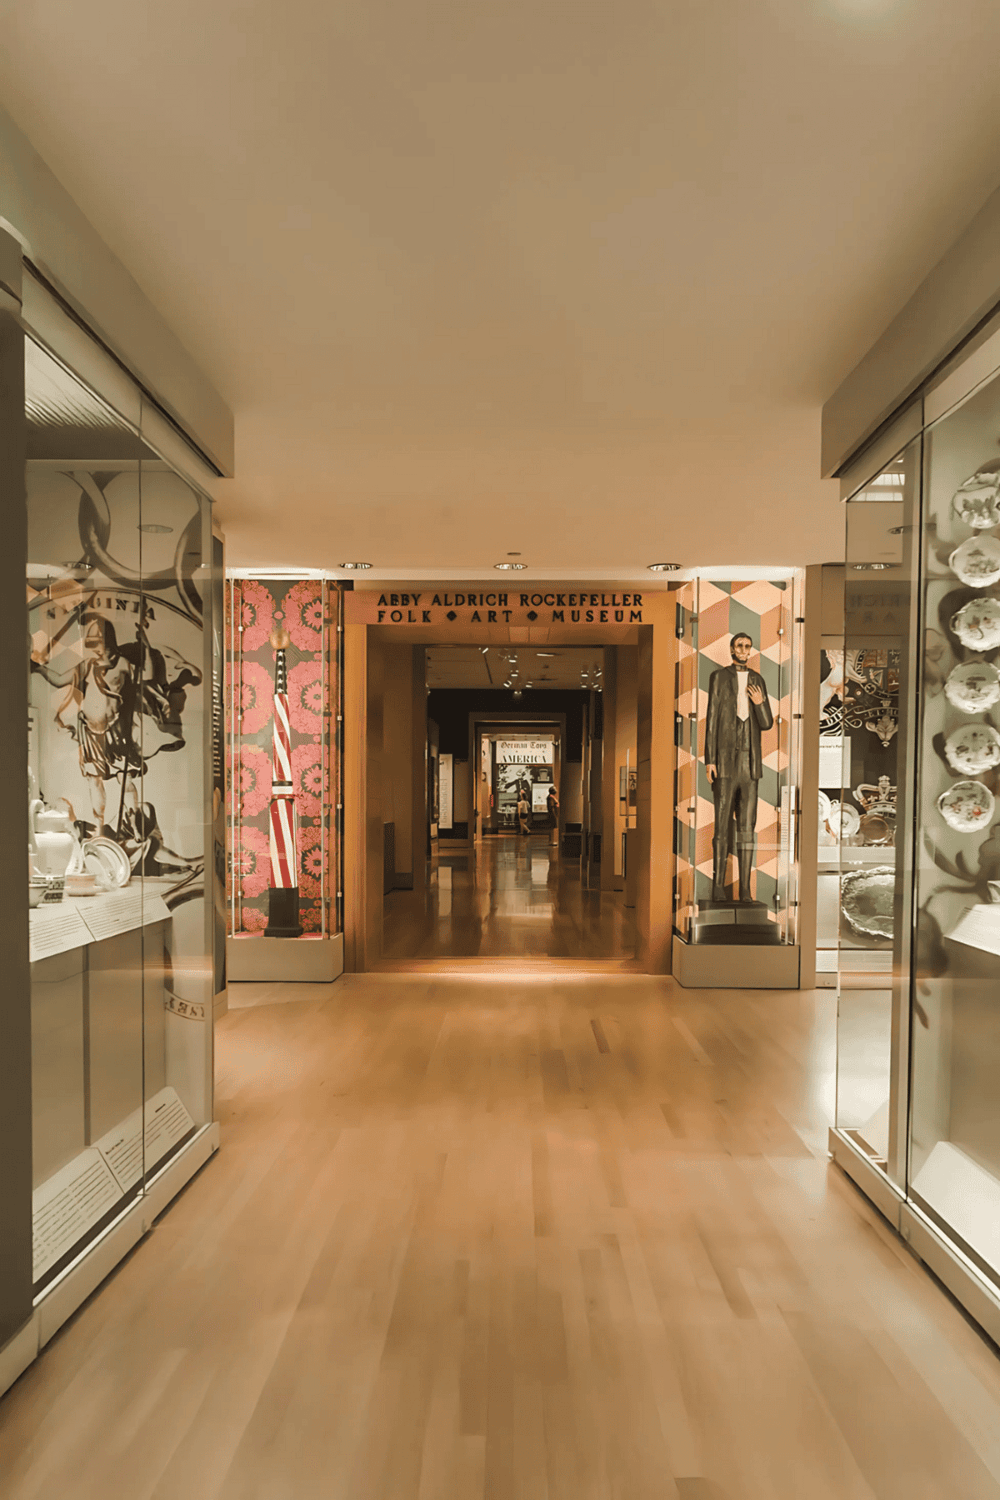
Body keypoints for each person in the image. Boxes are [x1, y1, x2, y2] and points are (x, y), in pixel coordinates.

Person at [704, 630, 774, 902]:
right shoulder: (719, 678)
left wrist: (760, 703)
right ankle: (717, 886)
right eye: (739, 646)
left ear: (751, 649)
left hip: (749, 764)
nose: (744, 650)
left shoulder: (758, 680)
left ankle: (745, 889)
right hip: (724, 761)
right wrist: (710, 759)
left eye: (747, 646)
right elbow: (711, 719)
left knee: (747, 827)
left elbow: (766, 723)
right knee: (721, 827)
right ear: (732, 650)